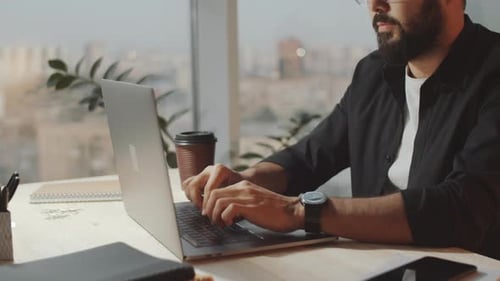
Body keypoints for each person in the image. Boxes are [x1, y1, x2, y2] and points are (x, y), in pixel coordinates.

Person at [183, 0, 500, 259]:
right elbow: (310, 156)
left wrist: (297, 211)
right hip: (372, 265)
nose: (375, 4)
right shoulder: (373, 73)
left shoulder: (492, 72)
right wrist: (244, 183)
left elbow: (461, 208)